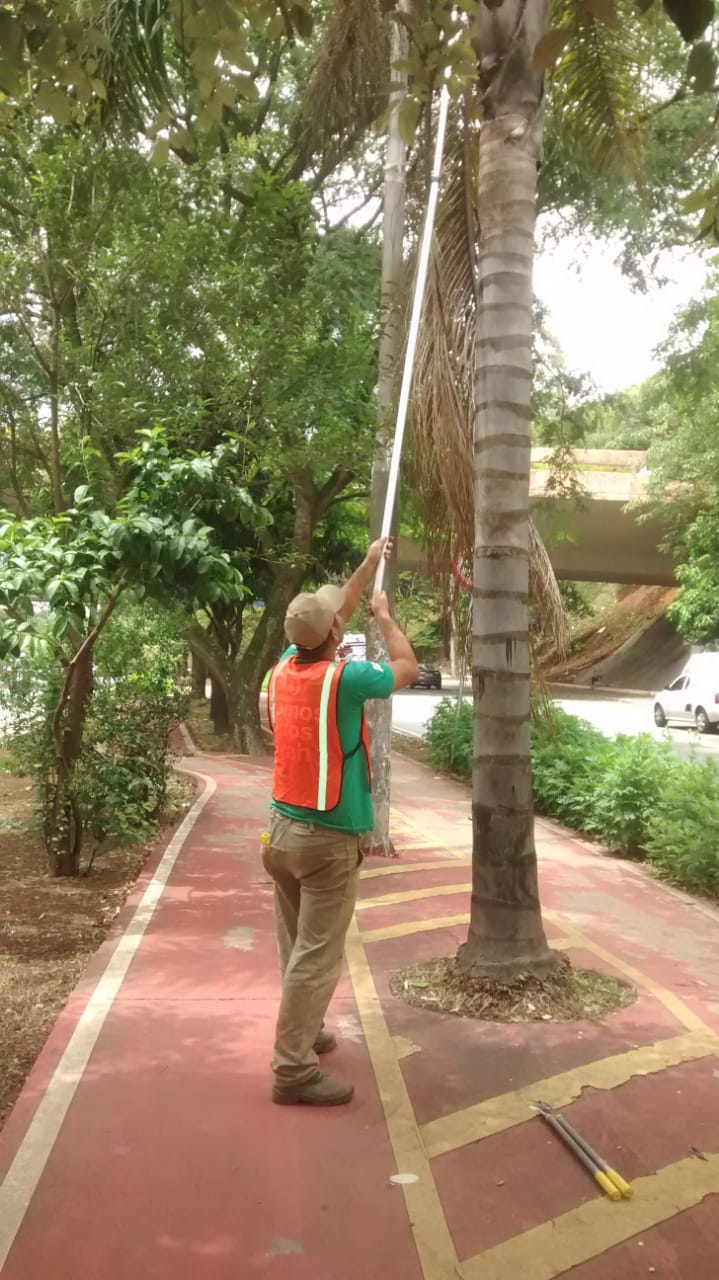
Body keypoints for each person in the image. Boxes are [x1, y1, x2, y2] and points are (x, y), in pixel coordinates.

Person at [264, 538, 419, 1106]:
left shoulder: (283, 668)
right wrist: (385, 617)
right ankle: (292, 1071)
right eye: (339, 622)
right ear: (335, 635)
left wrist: (369, 560)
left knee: (295, 947)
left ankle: (307, 1031)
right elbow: (407, 667)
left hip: (280, 833)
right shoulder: (347, 680)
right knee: (316, 955)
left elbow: (331, 616)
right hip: (327, 842)